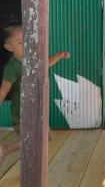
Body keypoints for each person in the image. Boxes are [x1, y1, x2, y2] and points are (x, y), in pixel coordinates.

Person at [0, 22, 70, 164]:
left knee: (46, 138)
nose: (26, 45)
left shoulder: (32, 58)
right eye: (20, 43)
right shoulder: (12, 67)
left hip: (37, 108)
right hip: (22, 111)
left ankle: (20, 156)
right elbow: (4, 89)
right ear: (9, 48)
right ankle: (6, 151)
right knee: (32, 140)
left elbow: (46, 64)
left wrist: (59, 55)